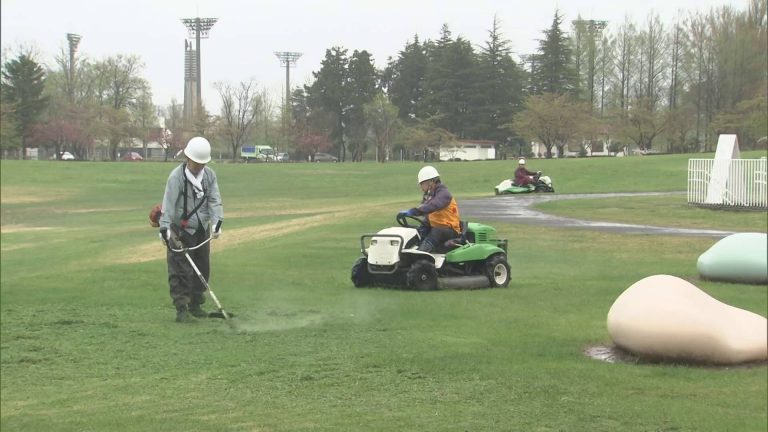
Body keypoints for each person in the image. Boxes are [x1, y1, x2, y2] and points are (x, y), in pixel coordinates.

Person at [158, 137, 224, 323]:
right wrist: (164, 229)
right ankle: (181, 308)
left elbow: (214, 200)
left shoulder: (210, 176)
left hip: (201, 229)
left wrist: (217, 223)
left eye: (203, 163)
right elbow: (168, 205)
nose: (199, 166)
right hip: (180, 231)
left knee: (202, 268)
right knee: (180, 270)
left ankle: (196, 304)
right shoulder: (176, 178)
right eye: (197, 162)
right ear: (188, 158)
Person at [399, 166, 461, 252]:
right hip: (436, 226)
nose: (421, 188)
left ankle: (421, 253)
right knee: (419, 230)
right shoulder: (429, 195)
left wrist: (414, 211)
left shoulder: (444, 194)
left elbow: (433, 206)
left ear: (431, 182)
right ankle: (405, 252)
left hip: (450, 230)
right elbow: (424, 208)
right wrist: (412, 212)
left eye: (422, 184)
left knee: (437, 231)